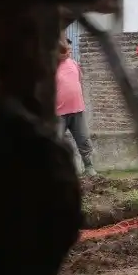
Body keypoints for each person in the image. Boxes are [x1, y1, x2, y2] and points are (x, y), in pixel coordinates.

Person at [56, 38, 97, 177]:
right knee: (55, 143)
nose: (68, 52)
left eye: (68, 49)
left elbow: (78, 81)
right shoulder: (50, 67)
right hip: (58, 113)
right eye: (65, 51)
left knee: (84, 140)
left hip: (77, 110)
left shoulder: (74, 64)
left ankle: (89, 167)